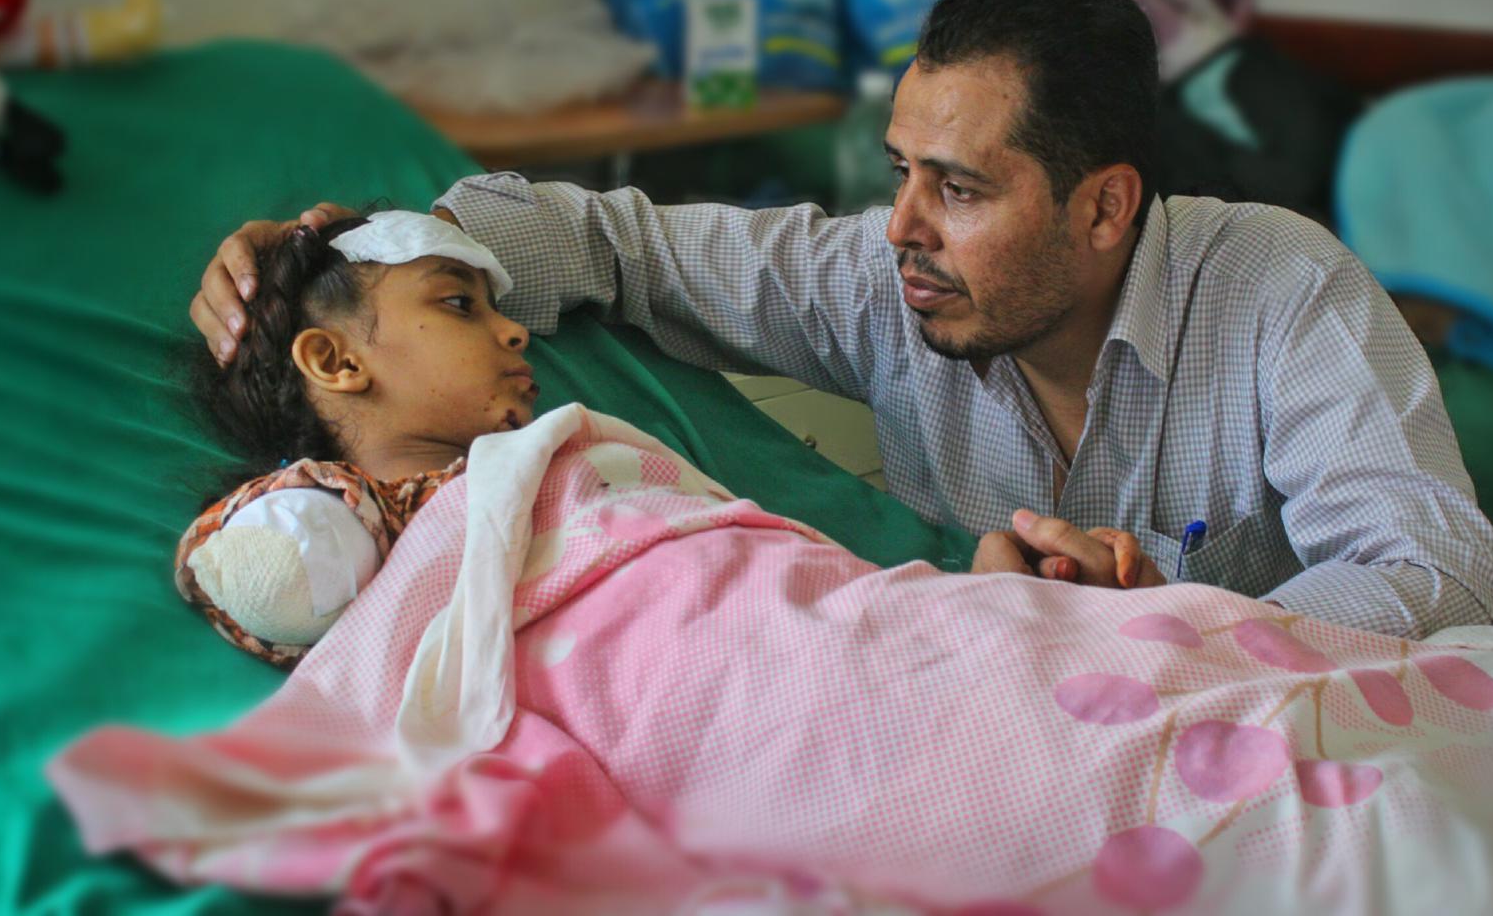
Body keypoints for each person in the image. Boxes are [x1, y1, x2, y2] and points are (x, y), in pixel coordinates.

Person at [191, 0, 1493, 638]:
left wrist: (1161, 610)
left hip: (1271, 746)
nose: (901, 229)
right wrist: (353, 253)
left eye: (959, 189)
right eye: (899, 172)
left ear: (1106, 208)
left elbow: (1444, 579)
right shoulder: (886, 285)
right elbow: (609, 242)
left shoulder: (1280, 289)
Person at [180, 210, 1161, 666]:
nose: (515, 332)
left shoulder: (563, 461)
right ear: (335, 361)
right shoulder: (371, 519)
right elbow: (267, 571)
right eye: (460, 305)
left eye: (958, 190)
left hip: (825, 620)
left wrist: (979, 603)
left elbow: (756, 579)